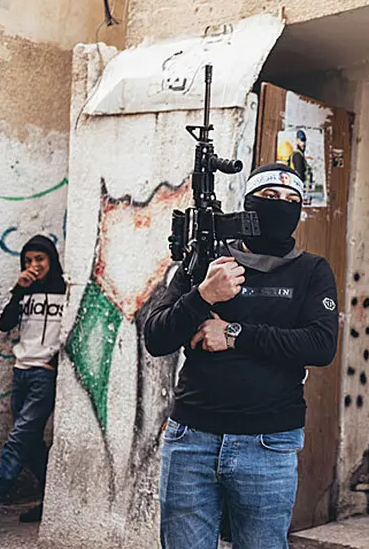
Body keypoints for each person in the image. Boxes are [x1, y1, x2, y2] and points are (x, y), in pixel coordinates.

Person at [143, 163, 339, 549]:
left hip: (268, 443)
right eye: (270, 196)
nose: (281, 205)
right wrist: (203, 295)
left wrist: (234, 334)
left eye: (292, 200)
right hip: (192, 439)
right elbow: (156, 337)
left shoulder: (312, 271)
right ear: (249, 204)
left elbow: (320, 345)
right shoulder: (207, 263)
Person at [0, 235, 66, 522]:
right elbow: (4, 324)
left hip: (42, 376)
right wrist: (18, 290)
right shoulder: (24, 291)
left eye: (40, 259)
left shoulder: (64, 291)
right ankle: (50, 502)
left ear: (51, 260)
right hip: (20, 373)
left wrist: (53, 363)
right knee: (31, 442)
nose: (34, 265)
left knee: (18, 439)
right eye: (28, 260)